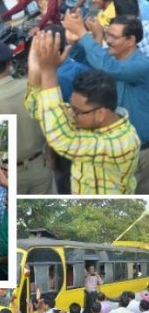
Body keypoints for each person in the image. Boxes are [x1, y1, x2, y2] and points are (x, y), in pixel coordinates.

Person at [25, 30, 140, 194]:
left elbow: (61, 139)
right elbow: (38, 109)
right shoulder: (87, 118)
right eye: (71, 107)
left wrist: (49, 72)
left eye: (77, 111)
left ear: (100, 113)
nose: (71, 114)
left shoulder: (123, 141)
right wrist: (35, 66)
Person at [63, 13, 149, 194]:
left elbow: (108, 68)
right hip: (116, 147)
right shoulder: (113, 59)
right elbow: (86, 61)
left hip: (142, 152)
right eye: (106, 34)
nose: (107, 40)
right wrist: (76, 40)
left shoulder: (142, 65)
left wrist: (84, 34)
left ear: (131, 40)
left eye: (113, 37)